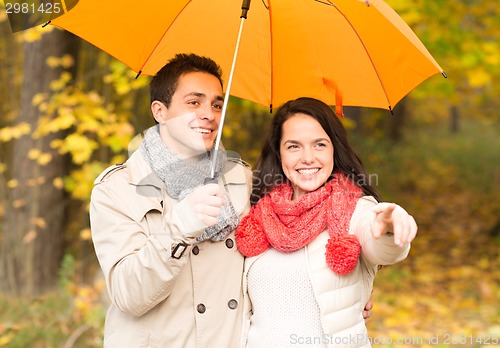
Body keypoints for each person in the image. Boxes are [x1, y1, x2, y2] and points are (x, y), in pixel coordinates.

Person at [90, 54, 373, 348]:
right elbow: (128, 296)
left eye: (216, 104)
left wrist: (342, 297)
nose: (209, 114)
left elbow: (286, 247)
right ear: (160, 111)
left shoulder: (241, 178)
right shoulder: (119, 188)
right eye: (194, 102)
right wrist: (178, 229)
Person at [235, 97, 418, 348]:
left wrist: (389, 228)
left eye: (319, 144)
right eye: (293, 146)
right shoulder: (258, 211)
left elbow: (381, 247)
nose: (308, 157)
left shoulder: (356, 208)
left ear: (335, 148)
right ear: (278, 152)